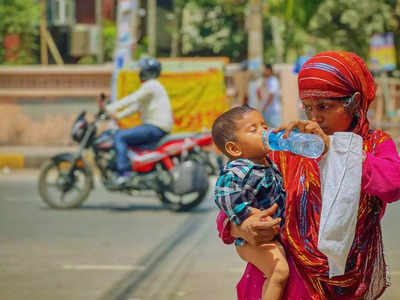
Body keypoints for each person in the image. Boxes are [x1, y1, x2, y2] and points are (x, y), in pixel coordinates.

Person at [216, 51, 400, 299]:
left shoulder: (375, 145)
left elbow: (392, 185)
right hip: (286, 283)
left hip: (342, 284)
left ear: (355, 102)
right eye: (308, 107)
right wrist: (243, 227)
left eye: (324, 107)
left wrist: (333, 151)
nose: (315, 118)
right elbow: (232, 204)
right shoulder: (291, 147)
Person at [212, 106, 290, 300]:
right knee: (279, 271)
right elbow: (223, 193)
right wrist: (246, 217)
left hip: (272, 234)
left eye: (264, 125)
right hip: (251, 239)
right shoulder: (239, 170)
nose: (264, 132)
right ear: (234, 148)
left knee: (276, 270)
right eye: (253, 129)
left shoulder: (267, 162)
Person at [97, 58, 173, 188]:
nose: (140, 72)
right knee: (123, 136)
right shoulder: (152, 87)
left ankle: (124, 173)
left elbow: (132, 99)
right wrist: (117, 116)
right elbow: (135, 107)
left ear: (148, 72)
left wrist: (110, 108)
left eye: (142, 69)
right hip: (155, 126)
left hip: (155, 127)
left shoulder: (152, 85)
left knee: (119, 136)